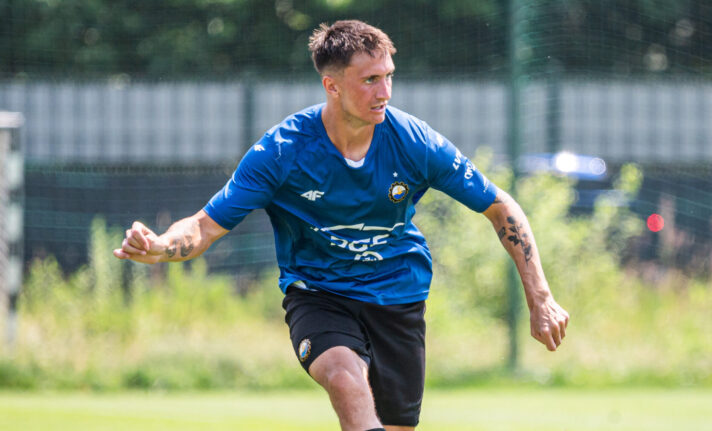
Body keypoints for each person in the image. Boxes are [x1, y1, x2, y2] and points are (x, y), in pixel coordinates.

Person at [113, 19, 569, 431]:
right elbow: (204, 227)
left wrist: (541, 297)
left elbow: (501, 207)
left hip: (398, 294)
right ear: (332, 86)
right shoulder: (283, 151)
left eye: (389, 76)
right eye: (370, 80)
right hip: (319, 294)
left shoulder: (413, 142)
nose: (384, 92)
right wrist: (161, 247)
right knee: (345, 378)